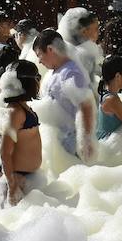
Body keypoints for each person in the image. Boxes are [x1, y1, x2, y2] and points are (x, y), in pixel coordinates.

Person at [34, 28, 96, 162]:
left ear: (50, 49)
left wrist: (85, 141)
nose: (39, 61)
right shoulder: (54, 72)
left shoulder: (71, 72)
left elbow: (85, 106)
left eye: (39, 54)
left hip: (71, 143)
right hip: (57, 142)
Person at [0, 61, 43, 206]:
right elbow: (5, 152)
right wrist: (12, 185)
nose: (39, 82)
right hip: (16, 179)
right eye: (37, 78)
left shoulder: (22, 107)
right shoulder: (15, 112)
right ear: (27, 82)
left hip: (26, 178)